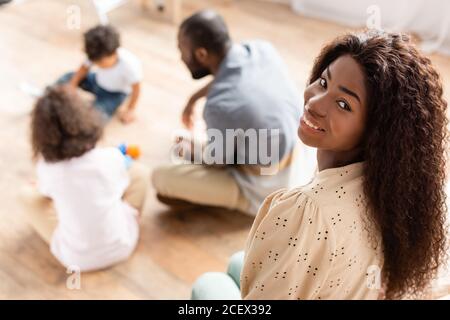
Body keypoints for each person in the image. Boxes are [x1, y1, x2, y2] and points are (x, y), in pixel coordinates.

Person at [192, 30, 448, 300]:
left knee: (208, 284)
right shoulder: (393, 188)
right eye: (324, 82)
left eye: (342, 104)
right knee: (238, 262)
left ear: (377, 130)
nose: (314, 102)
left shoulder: (307, 210)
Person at [152, 10, 301, 215]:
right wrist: (194, 98)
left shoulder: (219, 106)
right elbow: (232, 76)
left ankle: (242, 202)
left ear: (201, 54)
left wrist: (193, 152)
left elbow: (218, 163)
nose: (180, 57)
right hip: (298, 155)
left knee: (161, 180)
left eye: (182, 51)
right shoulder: (261, 49)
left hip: (264, 187)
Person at [20, 85, 149, 271]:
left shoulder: (47, 169)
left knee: (26, 196)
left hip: (76, 259)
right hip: (123, 245)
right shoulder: (109, 157)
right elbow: (121, 173)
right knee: (140, 173)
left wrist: (41, 187)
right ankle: (130, 216)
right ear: (86, 120)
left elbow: (46, 193)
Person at [57, 24, 142, 123]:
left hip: (114, 94)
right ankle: (52, 98)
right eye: (94, 61)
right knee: (68, 77)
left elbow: (136, 89)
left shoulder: (129, 65)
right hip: (96, 80)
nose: (96, 64)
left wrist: (130, 110)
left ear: (114, 52)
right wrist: (72, 85)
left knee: (97, 117)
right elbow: (84, 68)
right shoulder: (96, 53)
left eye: (100, 62)